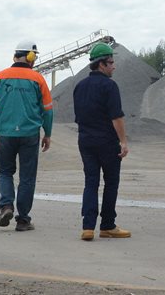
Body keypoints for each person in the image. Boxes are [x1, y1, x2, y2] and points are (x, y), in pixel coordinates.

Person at [0, 41, 53, 232]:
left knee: (5, 172)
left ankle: (6, 206)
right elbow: (47, 111)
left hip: (6, 134)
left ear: (15, 56)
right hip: (30, 134)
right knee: (27, 177)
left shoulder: (0, 77)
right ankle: (23, 220)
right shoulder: (37, 79)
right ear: (31, 57)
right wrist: (47, 134)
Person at [73, 42, 131, 241]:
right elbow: (117, 118)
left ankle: (87, 227)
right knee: (111, 183)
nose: (114, 66)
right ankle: (107, 225)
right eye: (111, 62)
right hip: (106, 142)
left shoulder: (79, 87)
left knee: (91, 183)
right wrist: (123, 141)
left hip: (85, 141)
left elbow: (79, 118)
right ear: (101, 64)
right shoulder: (110, 86)